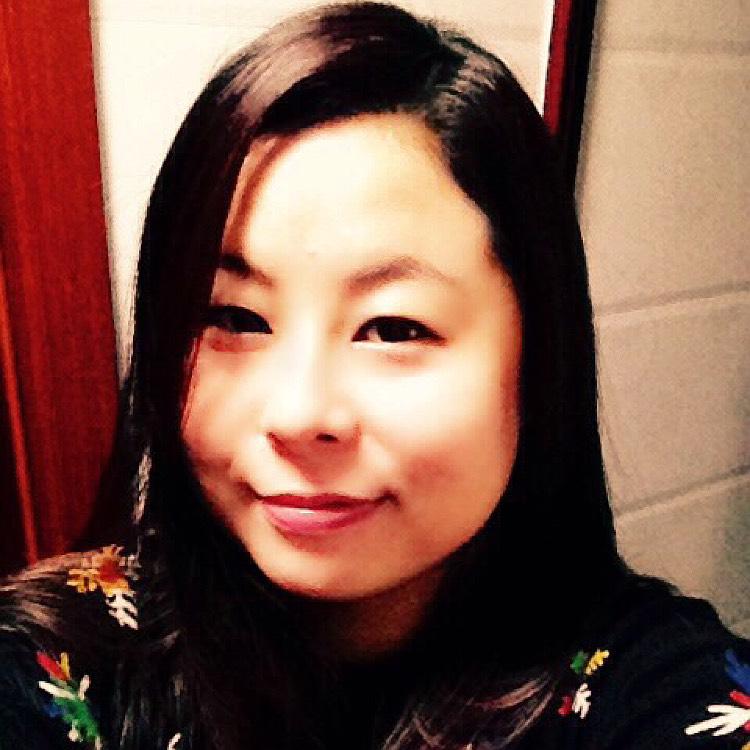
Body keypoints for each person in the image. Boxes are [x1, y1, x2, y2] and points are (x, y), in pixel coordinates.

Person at [1, 3, 748, 748]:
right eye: (235, 318)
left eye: (394, 328)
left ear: (538, 357)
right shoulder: (68, 661)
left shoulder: (649, 686)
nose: (298, 413)